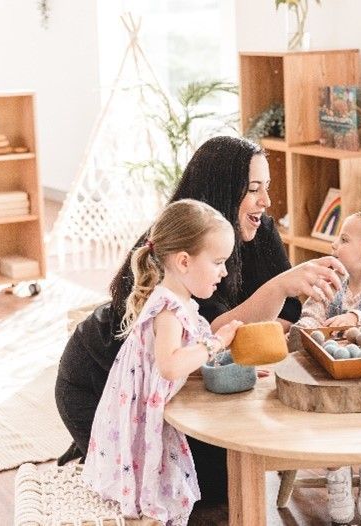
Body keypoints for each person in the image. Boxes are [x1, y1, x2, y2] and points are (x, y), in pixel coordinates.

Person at [55, 136, 346, 505]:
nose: (266, 201)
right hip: (99, 384)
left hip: (176, 385)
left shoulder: (260, 229)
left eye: (267, 188)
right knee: (203, 491)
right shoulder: (176, 245)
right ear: (223, 191)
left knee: (226, 476)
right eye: (253, 189)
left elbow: (283, 320)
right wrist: (276, 289)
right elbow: (199, 337)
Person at [83, 199, 242, 523]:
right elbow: (170, 364)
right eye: (218, 261)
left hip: (154, 402)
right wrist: (216, 343)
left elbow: (186, 359)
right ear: (184, 261)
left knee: (165, 477)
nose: (224, 271)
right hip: (144, 409)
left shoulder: (181, 302)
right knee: (155, 479)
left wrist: (231, 366)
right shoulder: (168, 308)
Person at [291, 211, 361, 524]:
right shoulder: (331, 284)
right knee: (328, 419)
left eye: (343, 240)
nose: (333, 244)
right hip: (331, 376)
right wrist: (305, 328)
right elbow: (311, 314)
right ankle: (337, 474)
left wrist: (356, 318)